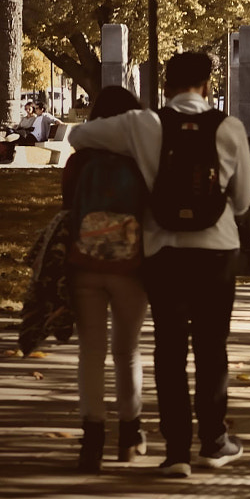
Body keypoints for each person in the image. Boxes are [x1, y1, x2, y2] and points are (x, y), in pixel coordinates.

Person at [67, 51, 250, 478]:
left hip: (162, 249)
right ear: (208, 85)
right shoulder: (228, 128)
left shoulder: (143, 125)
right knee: (211, 347)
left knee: (169, 349)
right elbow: (243, 198)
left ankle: (176, 452)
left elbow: (80, 136)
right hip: (216, 250)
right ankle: (213, 440)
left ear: (166, 85)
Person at [62, 86, 151, 473]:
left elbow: (68, 208)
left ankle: (92, 438)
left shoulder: (80, 161)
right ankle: (130, 433)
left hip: (85, 263)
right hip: (131, 266)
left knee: (91, 353)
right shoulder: (141, 159)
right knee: (127, 351)